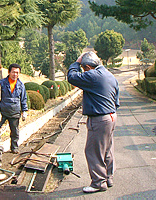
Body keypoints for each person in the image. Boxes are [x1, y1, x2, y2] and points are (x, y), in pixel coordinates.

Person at [67, 51, 120, 193]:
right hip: (111, 116)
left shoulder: (93, 75)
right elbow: (116, 99)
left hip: (99, 119)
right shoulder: (110, 75)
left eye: (84, 68)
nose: (83, 71)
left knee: (93, 151)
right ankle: (108, 177)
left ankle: (98, 183)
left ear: (88, 67)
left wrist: (76, 63)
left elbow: (72, 77)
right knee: (107, 149)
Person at [0, 63, 28, 154]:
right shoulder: (2, 83)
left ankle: (14, 148)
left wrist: (24, 111)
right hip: (2, 111)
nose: (15, 74)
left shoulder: (20, 85)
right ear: (9, 72)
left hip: (15, 111)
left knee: (15, 131)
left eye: (17, 73)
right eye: (13, 72)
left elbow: (23, 99)